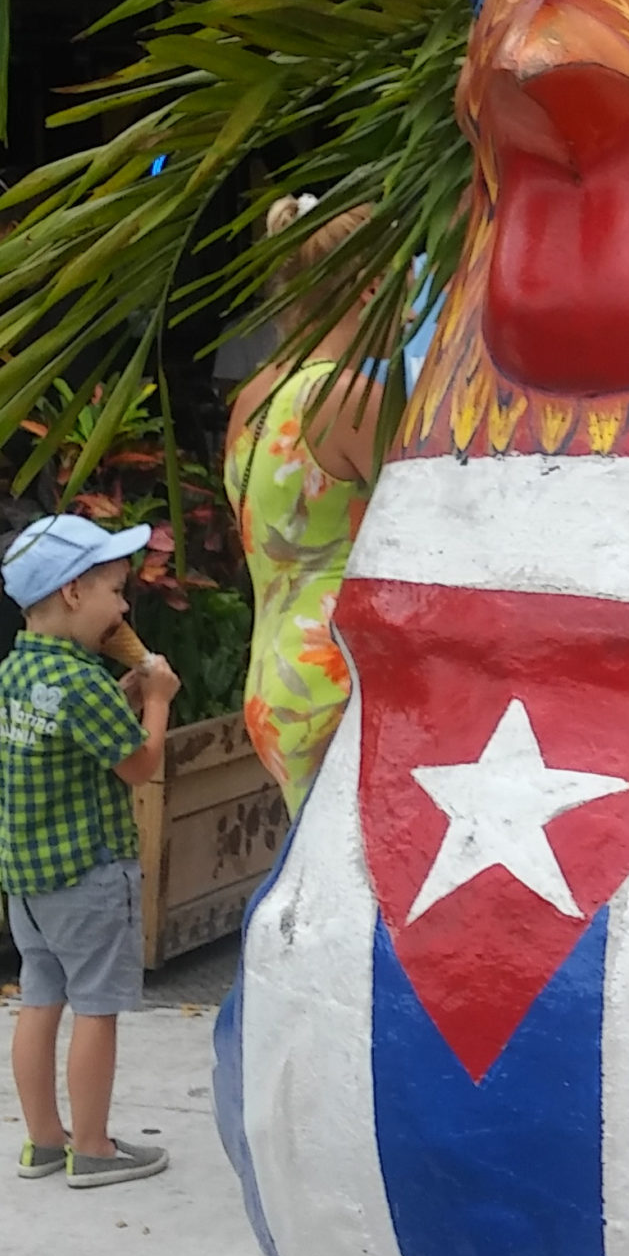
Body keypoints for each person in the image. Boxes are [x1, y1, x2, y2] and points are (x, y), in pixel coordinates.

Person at [0, 513, 181, 1188]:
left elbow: (68, 739)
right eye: (114, 590)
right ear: (73, 593)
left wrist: (125, 693)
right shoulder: (84, 684)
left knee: (40, 1000)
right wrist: (155, 699)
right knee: (97, 1007)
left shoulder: (14, 672)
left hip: (29, 880)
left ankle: (45, 1140)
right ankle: (93, 1146)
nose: (124, 606)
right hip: (90, 874)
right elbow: (140, 765)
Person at [224, 194, 390, 813]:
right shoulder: (347, 398)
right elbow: (435, 528)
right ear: (371, 286)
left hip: (275, 673)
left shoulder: (256, 395)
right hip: (339, 675)